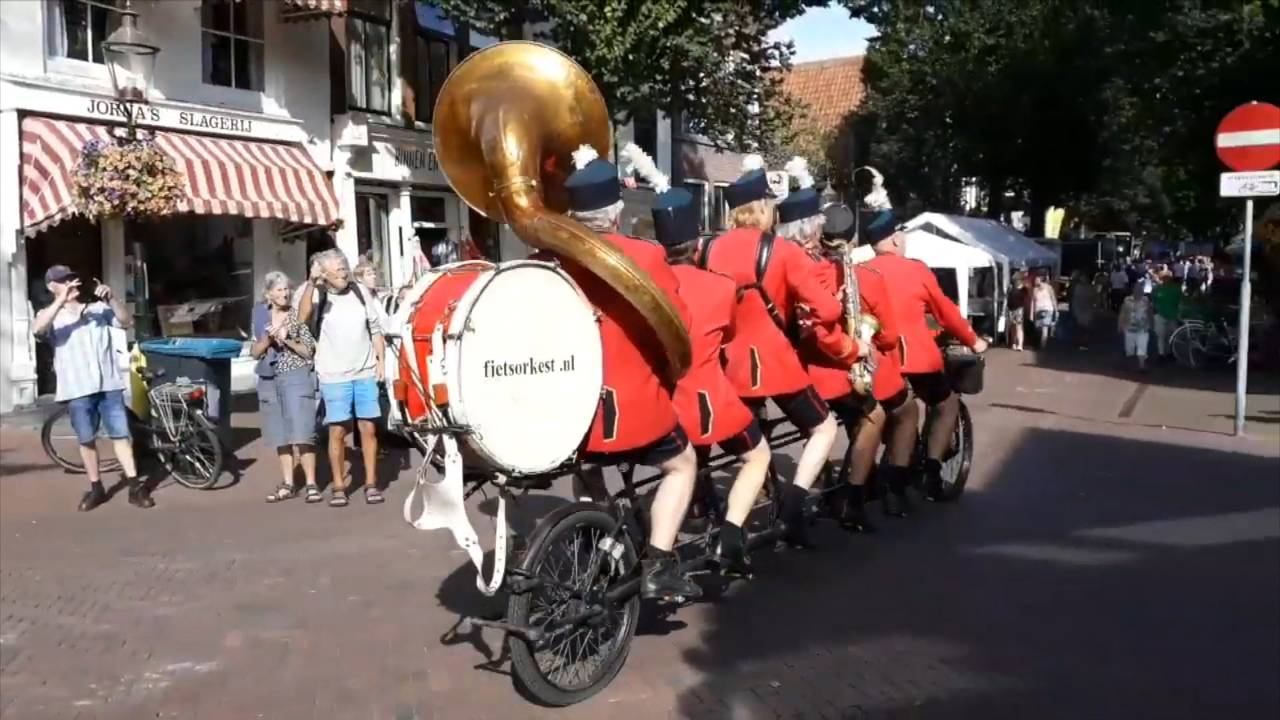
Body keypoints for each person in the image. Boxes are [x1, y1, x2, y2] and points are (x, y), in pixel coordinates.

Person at [555, 143, 701, 601]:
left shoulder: (548, 261)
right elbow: (679, 325)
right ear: (616, 213)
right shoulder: (646, 256)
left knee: (587, 467)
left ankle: (596, 538)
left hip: (571, 413)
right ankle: (659, 563)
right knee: (683, 465)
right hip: (632, 408)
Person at [627, 143, 772, 577]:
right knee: (758, 456)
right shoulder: (721, 287)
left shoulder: (645, 288)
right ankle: (731, 534)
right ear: (695, 242)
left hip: (656, 404)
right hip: (707, 403)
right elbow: (728, 336)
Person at [698, 154, 844, 547]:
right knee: (823, 428)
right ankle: (793, 508)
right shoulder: (782, 250)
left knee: (741, 443)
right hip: (775, 364)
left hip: (725, 362)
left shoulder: (707, 249)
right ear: (764, 208)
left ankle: (716, 510)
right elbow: (828, 309)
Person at [775, 160, 895, 533]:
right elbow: (818, 329)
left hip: (794, 360)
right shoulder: (814, 267)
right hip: (818, 366)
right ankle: (851, 499)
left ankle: (831, 482)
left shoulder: (791, 257)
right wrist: (855, 349)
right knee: (874, 415)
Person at [864, 208, 988, 506]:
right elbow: (946, 312)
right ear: (895, 239)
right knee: (946, 404)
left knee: (891, 411)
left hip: (877, 362)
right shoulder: (916, 270)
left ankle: (888, 479)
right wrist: (974, 340)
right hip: (916, 359)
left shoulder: (862, 271)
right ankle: (932, 470)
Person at [31, 266, 152, 511]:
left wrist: (112, 299)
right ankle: (96, 488)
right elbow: (38, 330)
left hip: (108, 384)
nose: (71, 283)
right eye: (63, 281)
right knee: (86, 440)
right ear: (52, 287)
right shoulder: (50, 315)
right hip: (77, 388)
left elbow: (126, 321)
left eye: (72, 278)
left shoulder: (97, 309)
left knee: (120, 435)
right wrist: (61, 300)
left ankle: (134, 487)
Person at [297, 249, 386, 507]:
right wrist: (311, 283)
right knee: (337, 431)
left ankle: (371, 484)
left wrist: (381, 361)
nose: (344, 272)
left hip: (365, 371)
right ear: (324, 273)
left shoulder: (360, 291)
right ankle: (339, 486)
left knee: (368, 428)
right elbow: (302, 319)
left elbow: (375, 329)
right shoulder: (317, 293)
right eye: (338, 269)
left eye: (344, 267)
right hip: (334, 375)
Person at [251, 272, 321, 504]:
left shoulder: (296, 315)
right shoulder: (260, 315)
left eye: (286, 289)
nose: (284, 293)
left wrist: (287, 339)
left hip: (295, 374)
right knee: (279, 434)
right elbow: (254, 352)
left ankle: (311, 483)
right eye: (279, 290)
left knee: (302, 431)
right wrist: (268, 340)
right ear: (268, 294)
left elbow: (308, 351)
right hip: (269, 377)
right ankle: (288, 483)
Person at [1118, 282, 1154, 372]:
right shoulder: (1127, 300)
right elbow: (1122, 313)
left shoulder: (1146, 301)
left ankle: (1142, 365)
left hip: (1143, 329)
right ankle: (1129, 365)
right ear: (1133, 290)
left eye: (1140, 289)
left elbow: (1150, 313)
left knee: (1142, 348)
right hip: (1129, 328)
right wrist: (1120, 325)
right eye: (1136, 289)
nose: (1138, 291)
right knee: (1129, 350)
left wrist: (1151, 324)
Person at [1151, 270, 1182, 360]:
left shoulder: (1176, 289)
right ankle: (1161, 354)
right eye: (1164, 278)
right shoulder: (1158, 289)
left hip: (1172, 315)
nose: (1166, 279)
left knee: (1170, 336)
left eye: (1167, 278)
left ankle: (1170, 352)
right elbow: (1153, 300)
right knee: (1161, 336)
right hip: (1161, 315)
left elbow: (1180, 301)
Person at [1030, 273, 1058, 349]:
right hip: (1041, 310)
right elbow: (1033, 302)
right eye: (1035, 280)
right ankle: (1042, 343)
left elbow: (1053, 298)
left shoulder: (1047, 288)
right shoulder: (1036, 289)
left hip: (1045, 310)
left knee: (1043, 327)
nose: (1035, 281)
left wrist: (1056, 310)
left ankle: (1042, 344)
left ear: (1041, 280)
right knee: (1040, 328)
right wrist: (1031, 314)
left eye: (1036, 280)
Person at [1006, 272, 1027, 351]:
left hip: (1019, 309)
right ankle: (1014, 343)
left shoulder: (1023, 289)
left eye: (1016, 279)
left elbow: (1025, 300)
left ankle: (1020, 345)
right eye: (1014, 279)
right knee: (1012, 327)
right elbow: (1008, 298)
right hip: (1011, 309)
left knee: (1018, 327)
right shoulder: (1010, 288)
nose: (1015, 281)